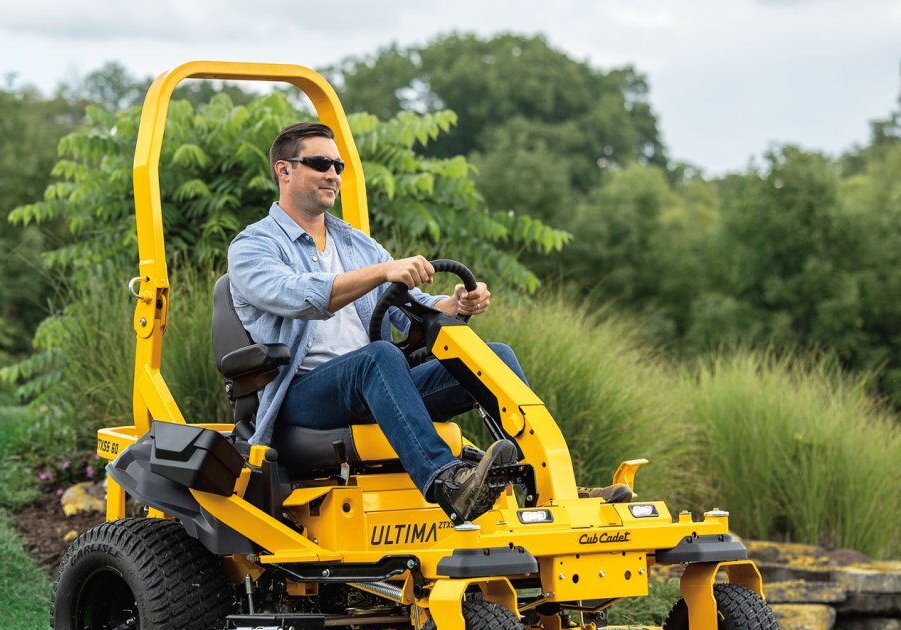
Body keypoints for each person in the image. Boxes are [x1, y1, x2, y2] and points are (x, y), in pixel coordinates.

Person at [227, 122, 628, 525]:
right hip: (302, 397)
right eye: (320, 163)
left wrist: (454, 304)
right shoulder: (253, 246)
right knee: (379, 357)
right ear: (284, 170)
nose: (332, 174)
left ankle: (551, 489)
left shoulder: (357, 244)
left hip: (378, 385)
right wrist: (382, 271)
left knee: (495, 357)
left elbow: (410, 305)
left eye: (338, 165)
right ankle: (447, 482)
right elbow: (298, 295)